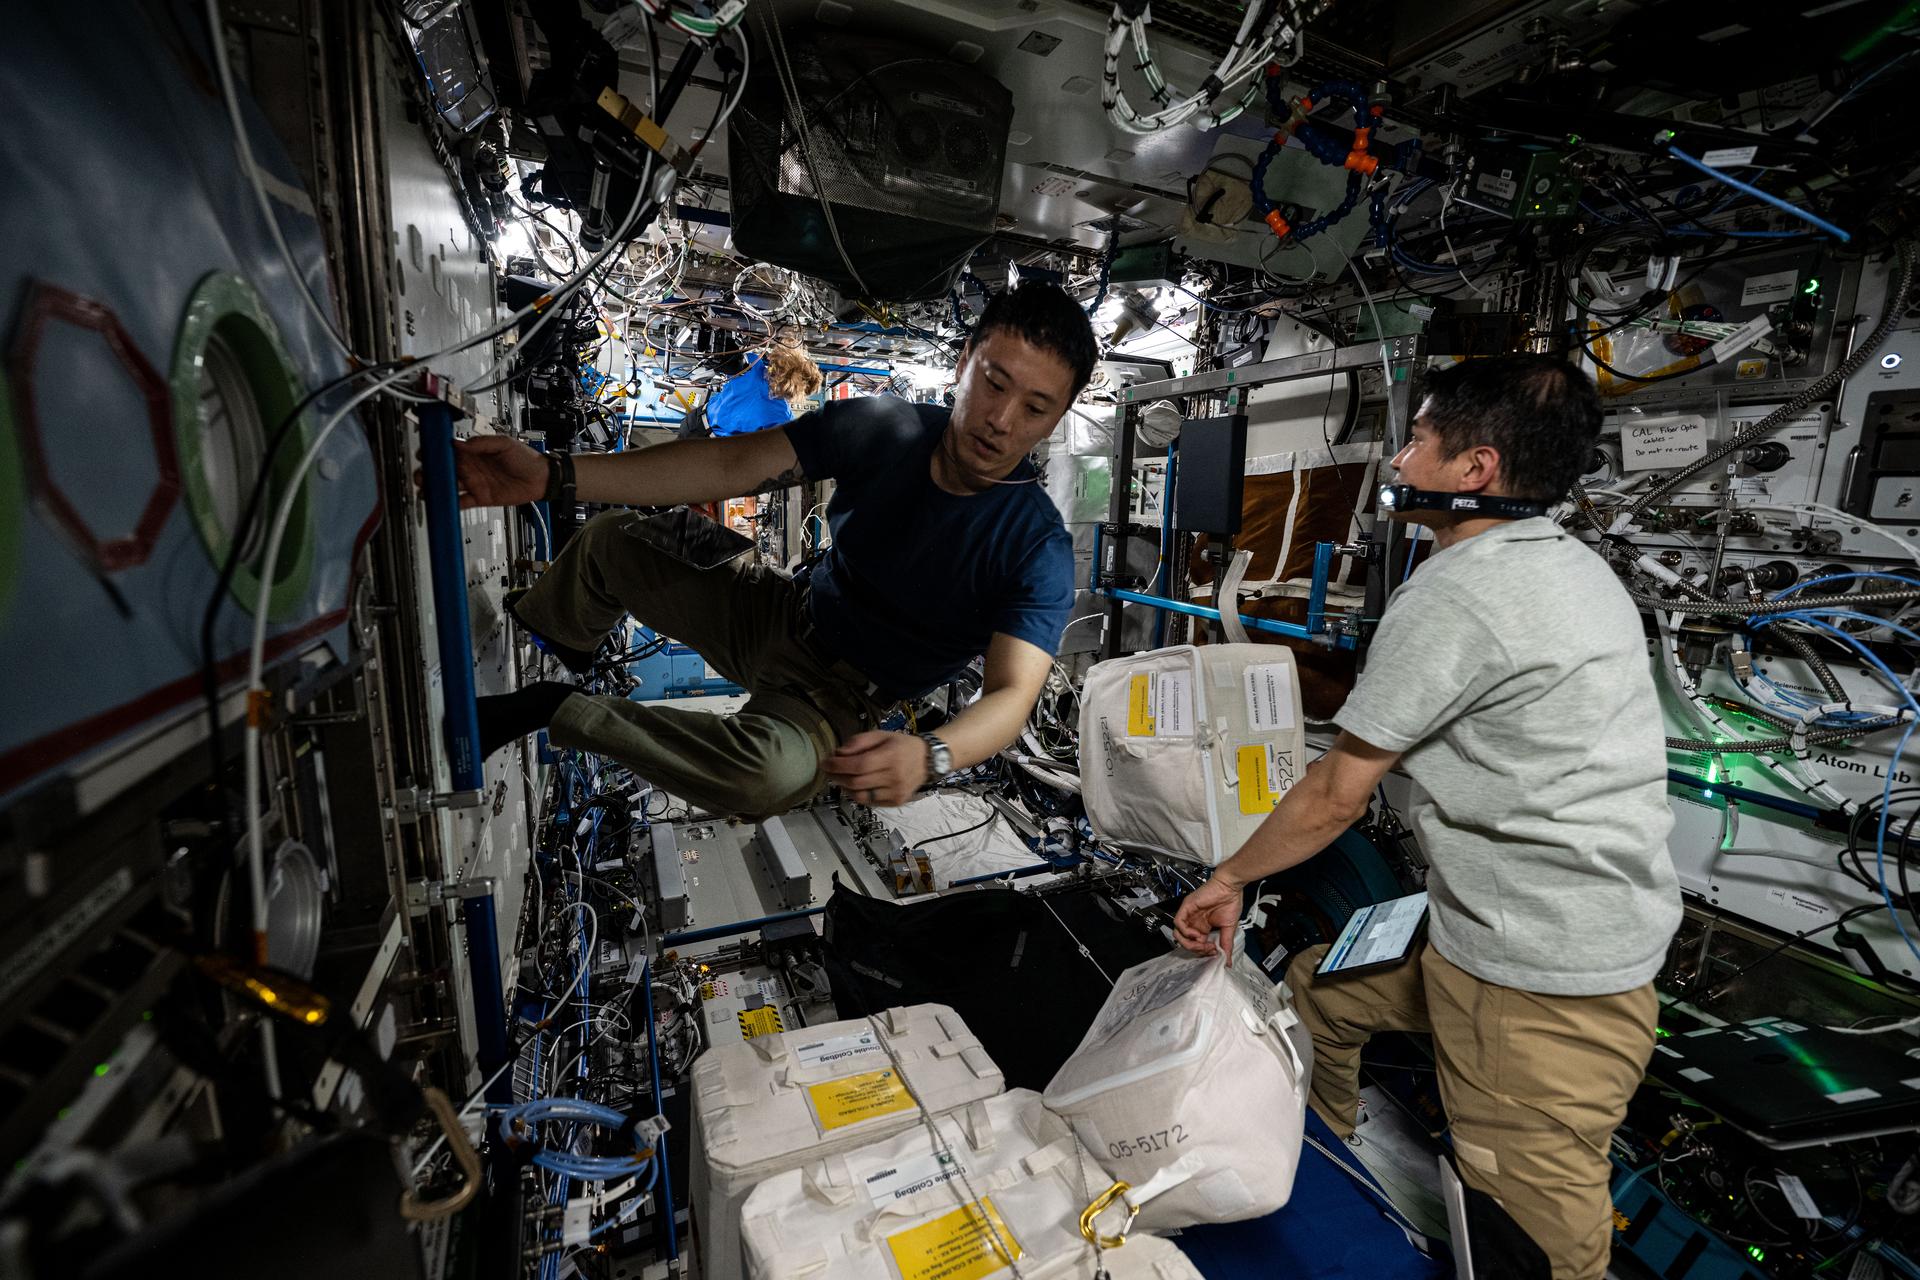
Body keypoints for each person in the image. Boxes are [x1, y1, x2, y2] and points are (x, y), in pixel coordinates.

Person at [1172, 355, 1680, 1280]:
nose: (1400, 462)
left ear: (1475, 470)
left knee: (1535, 1238)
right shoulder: (1574, 567)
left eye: (1417, 442)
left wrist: (1228, 878)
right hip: (1499, 930)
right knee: (1322, 995)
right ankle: (1317, 1176)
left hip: (1535, 975)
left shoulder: (1456, 593)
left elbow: (1337, 793)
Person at [453, 282, 1094, 820]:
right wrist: (551, 475)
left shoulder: (1035, 548)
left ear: (1056, 417)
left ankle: (550, 709)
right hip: (780, 609)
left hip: (840, 700)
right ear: (963, 365)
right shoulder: (886, 428)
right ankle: (559, 654)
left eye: (1035, 407)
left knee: (761, 781)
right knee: (612, 541)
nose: (1002, 420)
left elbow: (1012, 695)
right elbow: (731, 462)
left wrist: (932, 755)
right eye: (994, 383)